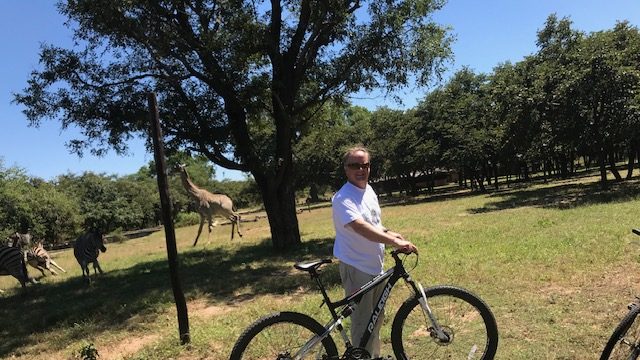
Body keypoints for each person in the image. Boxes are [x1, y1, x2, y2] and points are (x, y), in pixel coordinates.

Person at [332, 145, 418, 358]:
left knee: (375, 319)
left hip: (374, 265)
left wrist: (391, 233)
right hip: (356, 266)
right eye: (355, 165)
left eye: (365, 165)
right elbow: (360, 227)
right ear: (346, 169)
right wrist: (393, 242)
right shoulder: (343, 197)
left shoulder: (368, 190)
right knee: (362, 321)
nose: (360, 169)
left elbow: (374, 224)